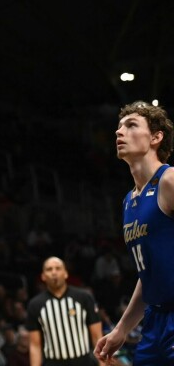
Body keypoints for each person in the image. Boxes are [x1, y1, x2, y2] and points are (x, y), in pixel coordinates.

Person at [95, 102, 174, 365]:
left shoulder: (169, 180)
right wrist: (121, 329)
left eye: (130, 126)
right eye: (118, 128)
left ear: (155, 136)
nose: (119, 132)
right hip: (155, 321)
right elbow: (148, 274)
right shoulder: (129, 201)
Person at [25, 256, 100, 366]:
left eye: (58, 268)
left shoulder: (84, 298)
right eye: (49, 269)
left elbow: (97, 336)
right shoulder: (35, 304)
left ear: (66, 273)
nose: (54, 272)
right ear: (43, 276)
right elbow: (35, 345)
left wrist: (103, 363)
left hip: (83, 362)